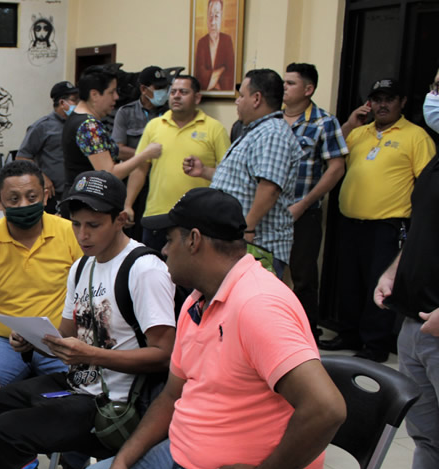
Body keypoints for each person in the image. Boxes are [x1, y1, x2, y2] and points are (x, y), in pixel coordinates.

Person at [78, 187, 346, 469]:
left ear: (194, 240)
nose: (164, 251)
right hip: (185, 456)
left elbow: (326, 408)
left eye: (169, 240)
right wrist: (124, 458)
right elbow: (173, 393)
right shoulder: (199, 299)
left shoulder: (257, 306)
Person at [0, 170, 176, 469]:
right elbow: (68, 333)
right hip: (81, 383)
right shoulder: (82, 266)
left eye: (93, 225)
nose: (82, 235)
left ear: (120, 219)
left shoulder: (144, 269)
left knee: (8, 433)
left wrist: (90, 353)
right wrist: (33, 338)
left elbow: (166, 356)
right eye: (76, 225)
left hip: (117, 403)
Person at [352, 69, 439, 469]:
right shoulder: (437, 162)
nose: (434, 97)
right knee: (427, 436)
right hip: (415, 320)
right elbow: (425, 232)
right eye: (434, 88)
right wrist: (394, 271)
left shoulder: (420, 143)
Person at [318, 78, 435, 362]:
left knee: (378, 284)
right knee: (349, 282)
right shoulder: (359, 133)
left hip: (388, 226)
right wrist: (348, 125)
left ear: (402, 102)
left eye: (389, 99)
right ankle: (349, 334)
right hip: (350, 222)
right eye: (377, 99)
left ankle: (375, 345)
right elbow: (330, 157)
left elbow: (427, 184)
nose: (382, 105)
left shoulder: (416, 136)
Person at [0, 160, 82, 406]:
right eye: (13, 199)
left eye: (31, 196)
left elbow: (90, 293)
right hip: (1, 341)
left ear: (45, 197)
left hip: (59, 339)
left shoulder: (70, 233)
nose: (23, 204)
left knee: (82, 391)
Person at [183, 69, 303, 278]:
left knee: (251, 304)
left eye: (241, 96)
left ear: (257, 99)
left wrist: (247, 230)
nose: (237, 102)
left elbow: (270, 187)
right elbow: (242, 181)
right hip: (241, 242)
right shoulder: (255, 131)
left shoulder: (272, 134)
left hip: (258, 246)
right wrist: (205, 171)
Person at [281, 63, 348, 340]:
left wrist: (304, 203)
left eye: (291, 83)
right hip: (267, 211)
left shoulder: (324, 122)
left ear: (308, 89)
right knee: (266, 272)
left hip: (303, 213)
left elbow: (336, 168)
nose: (284, 87)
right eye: (283, 82)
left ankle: (306, 336)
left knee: (303, 276)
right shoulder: (272, 119)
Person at [125, 74, 230, 252]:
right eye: (173, 91)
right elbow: (140, 170)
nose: (176, 96)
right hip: (157, 216)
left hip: (197, 220)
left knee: (190, 278)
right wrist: (128, 204)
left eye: (183, 92)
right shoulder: (154, 126)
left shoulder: (214, 129)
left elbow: (227, 173)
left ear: (197, 97)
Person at [61, 66, 162, 195]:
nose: (116, 97)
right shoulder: (89, 126)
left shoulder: (75, 117)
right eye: (111, 92)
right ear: (94, 95)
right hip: (86, 201)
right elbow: (109, 173)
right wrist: (145, 154)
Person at [16, 81, 81, 215]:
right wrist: (42, 177)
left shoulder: (79, 124)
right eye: (74, 100)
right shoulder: (43, 127)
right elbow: (22, 157)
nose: (78, 104)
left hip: (76, 190)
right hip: (53, 194)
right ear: (62, 103)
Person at [113, 66, 170, 162]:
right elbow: (119, 150)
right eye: (158, 88)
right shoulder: (126, 113)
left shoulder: (170, 112)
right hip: (136, 170)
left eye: (165, 87)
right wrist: (148, 155)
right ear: (143, 89)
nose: (163, 92)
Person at [194, 0, 235, 92]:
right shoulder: (202, 42)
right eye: (210, 16)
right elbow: (200, 74)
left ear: (221, 17)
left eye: (216, 16)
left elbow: (230, 74)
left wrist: (212, 77)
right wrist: (221, 70)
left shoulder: (227, 40)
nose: (212, 22)